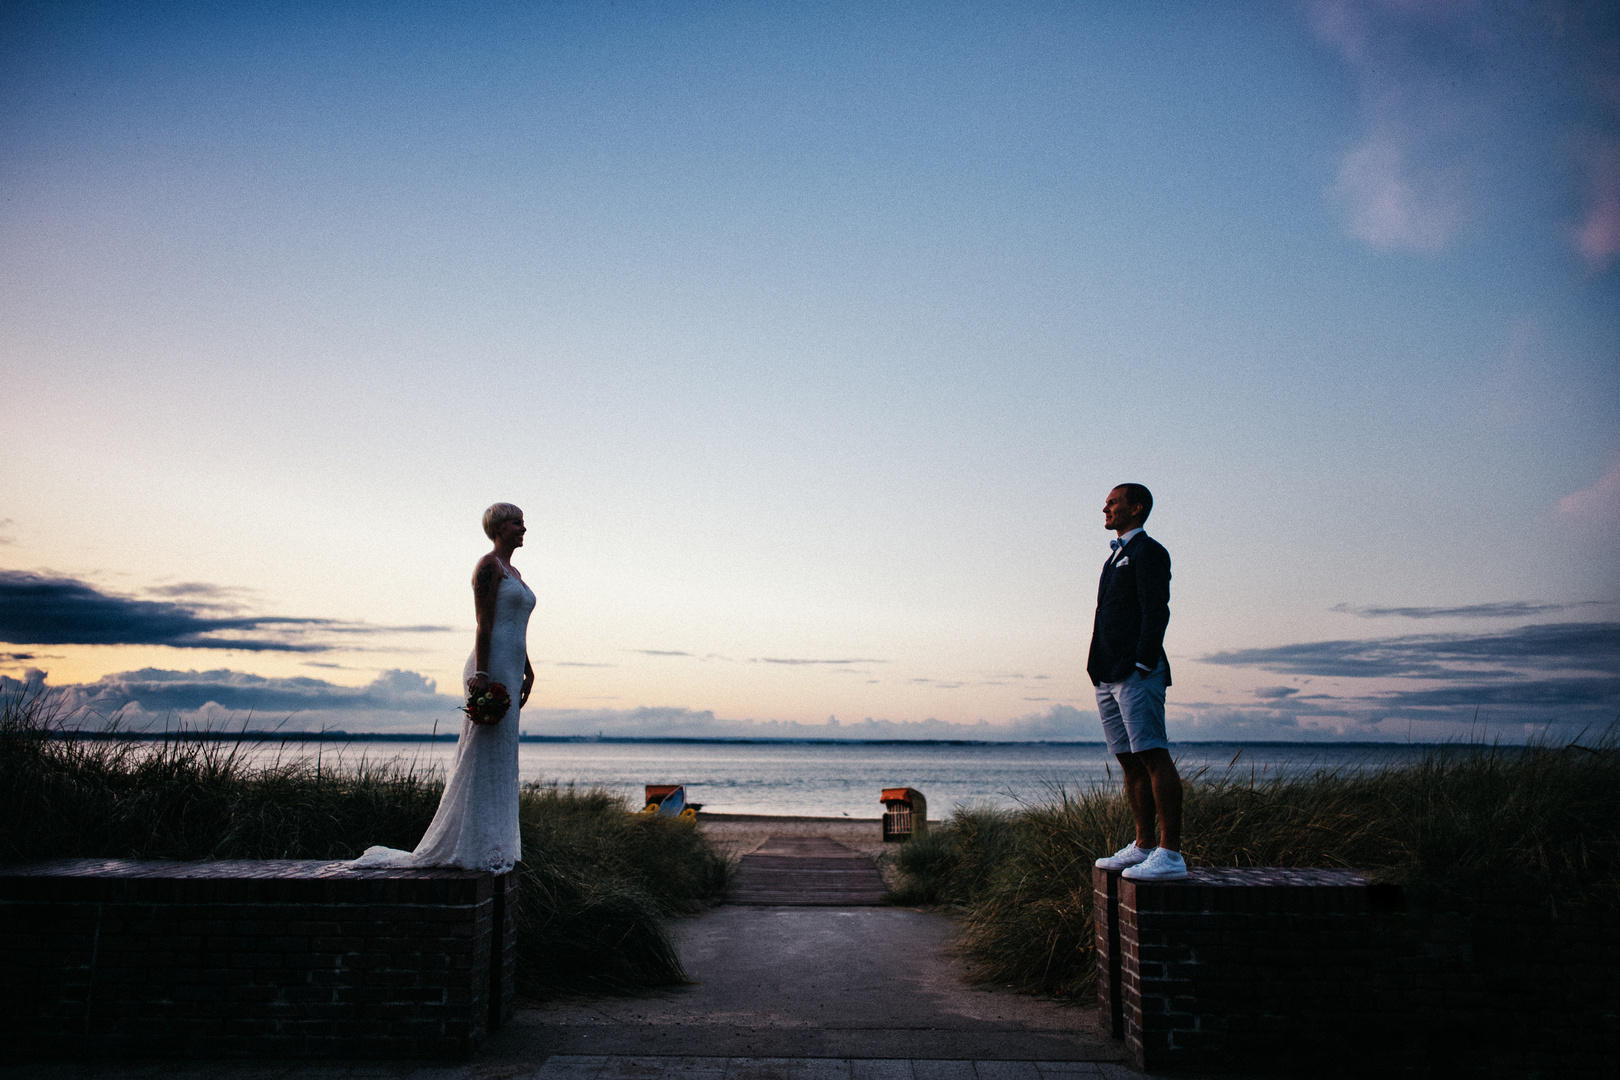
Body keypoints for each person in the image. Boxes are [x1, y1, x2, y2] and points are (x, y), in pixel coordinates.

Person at [354, 502, 536, 871]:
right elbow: (484, 624)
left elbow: (516, 626)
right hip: (492, 665)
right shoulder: (489, 566)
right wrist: (482, 675)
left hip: (513, 663)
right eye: (517, 523)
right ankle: (470, 845)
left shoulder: (515, 572)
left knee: (502, 757)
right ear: (499, 528)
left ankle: (495, 844)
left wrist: (528, 669)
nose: (524, 529)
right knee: (481, 751)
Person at [1088, 484, 1187, 881]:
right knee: (1128, 761)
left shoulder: (1149, 551)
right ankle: (1143, 845)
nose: (1105, 508)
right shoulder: (1114, 558)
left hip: (1136, 671)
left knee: (1152, 755)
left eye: (1112, 502)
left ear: (1136, 508)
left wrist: (1144, 662)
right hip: (1106, 673)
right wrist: (1095, 667)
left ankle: (1170, 853)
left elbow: (1155, 609)